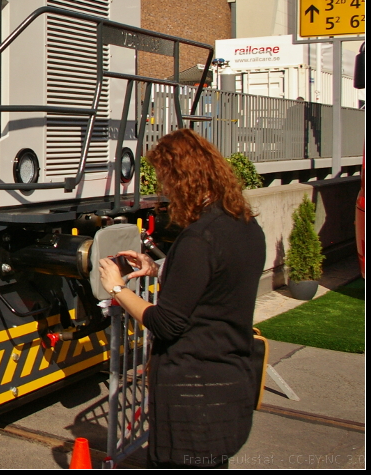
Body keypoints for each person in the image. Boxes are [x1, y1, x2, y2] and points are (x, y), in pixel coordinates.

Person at [99, 128, 264, 468]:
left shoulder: (199, 239)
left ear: (181, 179)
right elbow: (217, 285)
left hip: (193, 398)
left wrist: (118, 288)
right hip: (230, 384)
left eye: (164, 179)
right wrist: (160, 270)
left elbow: (166, 323)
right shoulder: (244, 224)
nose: (163, 189)